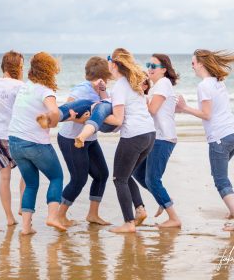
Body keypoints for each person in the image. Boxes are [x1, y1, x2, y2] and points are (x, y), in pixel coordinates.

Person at [91, 50, 156, 233]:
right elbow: (115, 106)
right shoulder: (133, 83)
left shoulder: (120, 85)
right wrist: (103, 93)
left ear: (115, 64)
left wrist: (94, 114)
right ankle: (140, 209)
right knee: (126, 177)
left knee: (119, 179)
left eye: (109, 60)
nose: (108, 64)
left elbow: (118, 120)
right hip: (149, 134)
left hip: (134, 136)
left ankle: (129, 223)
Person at [8, 52, 66, 235]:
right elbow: (55, 112)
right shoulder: (46, 92)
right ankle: (52, 216)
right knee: (56, 177)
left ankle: (26, 227)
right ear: (50, 71)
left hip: (14, 142)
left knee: (31, 183)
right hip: (35, 144)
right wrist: (53, 122)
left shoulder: (25, 87)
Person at [176, 49, 234, 231]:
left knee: (220, 179)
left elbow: (206, 115)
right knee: (222, 175)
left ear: (201, 64)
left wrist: (184, 108)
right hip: (231, 132)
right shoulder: (218, 82)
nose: (192, 67)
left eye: (193, 63)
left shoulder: (204, 86)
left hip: (219, 137)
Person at [56, 56, 113, 226]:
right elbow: (65, 114)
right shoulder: (82, 89)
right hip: (71, 139)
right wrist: (79, 121)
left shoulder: (101, 91)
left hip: (90, 139)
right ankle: (60, 215)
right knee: (79, 179)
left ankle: (92, 215)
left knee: (102, 174)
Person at [133, 54, 182, 228]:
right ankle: (163, 199)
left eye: (154, 65)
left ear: (164, 69)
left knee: (153, 179)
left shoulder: (163, 83)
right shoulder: (157, 86)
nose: (150, 68)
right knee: (137, 172)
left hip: (164, 138)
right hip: (156, 137)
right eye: (149, 65)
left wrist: (137, 97)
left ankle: (174, 218)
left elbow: (152, 109)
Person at [0, 50, 26, 226]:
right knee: (28, 172)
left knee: (4, 178)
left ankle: (9, 218)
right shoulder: (20, 86)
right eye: (22, 66)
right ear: (17, 67)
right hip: (15, 135)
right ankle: (22, 205)